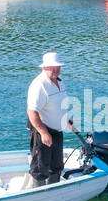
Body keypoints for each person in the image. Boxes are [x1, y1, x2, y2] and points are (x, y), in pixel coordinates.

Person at [26, 51, 73, 186]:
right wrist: (44, 133)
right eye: (52, 67)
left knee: (57, 166)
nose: (56, 70)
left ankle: (53, 192)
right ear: (44, 67)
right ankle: (38, 195)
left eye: (58, 67)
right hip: (43, 132)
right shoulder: (39, 85)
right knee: (40, 168)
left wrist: (66, 119)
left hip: (57, 132)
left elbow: (59, 104)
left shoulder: (60, 81)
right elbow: (31, 112)